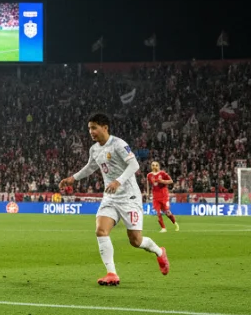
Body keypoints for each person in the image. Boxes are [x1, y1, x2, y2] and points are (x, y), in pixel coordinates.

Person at [60, 113, 170, 286]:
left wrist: (118, 181)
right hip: (110, 197)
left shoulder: (118, 144)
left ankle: (159, 252)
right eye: (89, 128)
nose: (91, 131)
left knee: (136, 240)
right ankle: (112, 273)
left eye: (94, 128)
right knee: (100, 230)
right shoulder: (94, 149)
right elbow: (90, 167)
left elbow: (134, 165)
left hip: (129, 197)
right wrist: (73, 178)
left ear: (105, 127)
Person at [145, 161, 179, 232]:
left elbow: (171, 181)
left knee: (167, 212)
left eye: (156, 165)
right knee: (158, 213)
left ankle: (175, 223)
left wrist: (162, 181)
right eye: (153, 165)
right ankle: (163, 228)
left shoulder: (163, 174)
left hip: (164, 196)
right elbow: (148, 183)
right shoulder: (149, 175)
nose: (154, 166)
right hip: (155, 197)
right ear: (151, 166)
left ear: (159, 166)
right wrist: (148, 193)